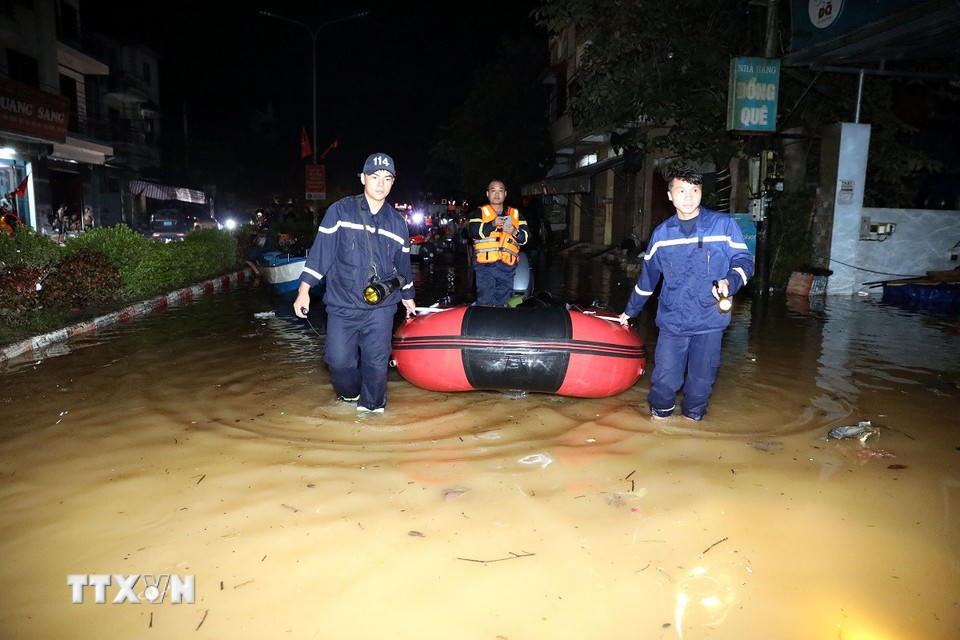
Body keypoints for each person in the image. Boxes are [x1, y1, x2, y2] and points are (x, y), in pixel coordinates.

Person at [618, 165, 754, 421]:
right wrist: (629, 312)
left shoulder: (723, 226)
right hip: (673, 321)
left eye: (695, 190)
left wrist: (731, 281)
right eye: (681, 190)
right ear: (670, 196)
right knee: (664, 381)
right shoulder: (661, 235)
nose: (689, 196)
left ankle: (692, 426)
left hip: (710, 321)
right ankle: (660, 424)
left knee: (700, 385)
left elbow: (745, 261)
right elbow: (647, 280)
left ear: (702, 192)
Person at [293, 152, 416, 414]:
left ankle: (372, 412)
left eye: (387, 178)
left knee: (376, 362)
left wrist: (408, 296)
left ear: (393, 183)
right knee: (338, 361)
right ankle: (350, 395)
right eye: (374, 177)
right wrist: (304, 291)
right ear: (363, 178)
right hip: (342, 304)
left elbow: (403, 267)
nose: (380, 183)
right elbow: (320, 255)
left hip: (381, 307)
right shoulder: (340, 211)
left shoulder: (398, 223)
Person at [468, 179, 529, 306]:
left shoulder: (516, 214)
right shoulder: (479, 212)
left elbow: (526, 238)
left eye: (500, 191)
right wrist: (492, 224)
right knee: (485, 302)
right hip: (485, 267)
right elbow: (473, 232)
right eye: (493, 191)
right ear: (487, 194)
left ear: (505, 194)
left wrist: (514, 232)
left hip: (507, 268)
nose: (497, 194)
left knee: (502, 304)